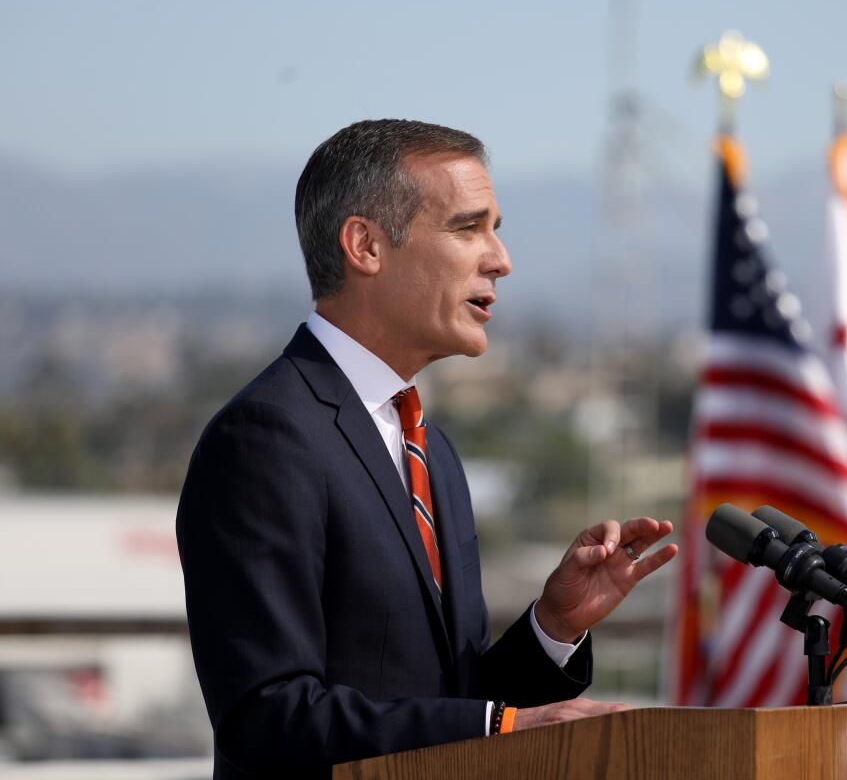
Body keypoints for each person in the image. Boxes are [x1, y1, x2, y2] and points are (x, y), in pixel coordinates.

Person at [176, 119, 677, 779]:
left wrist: (552, 628)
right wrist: (500, 726)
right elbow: (267, 716)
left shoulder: (430, 448)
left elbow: (449, 705)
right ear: (365, 246)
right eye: (469, 228)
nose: (500, 258)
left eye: (496, 228)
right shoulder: (266, 438)